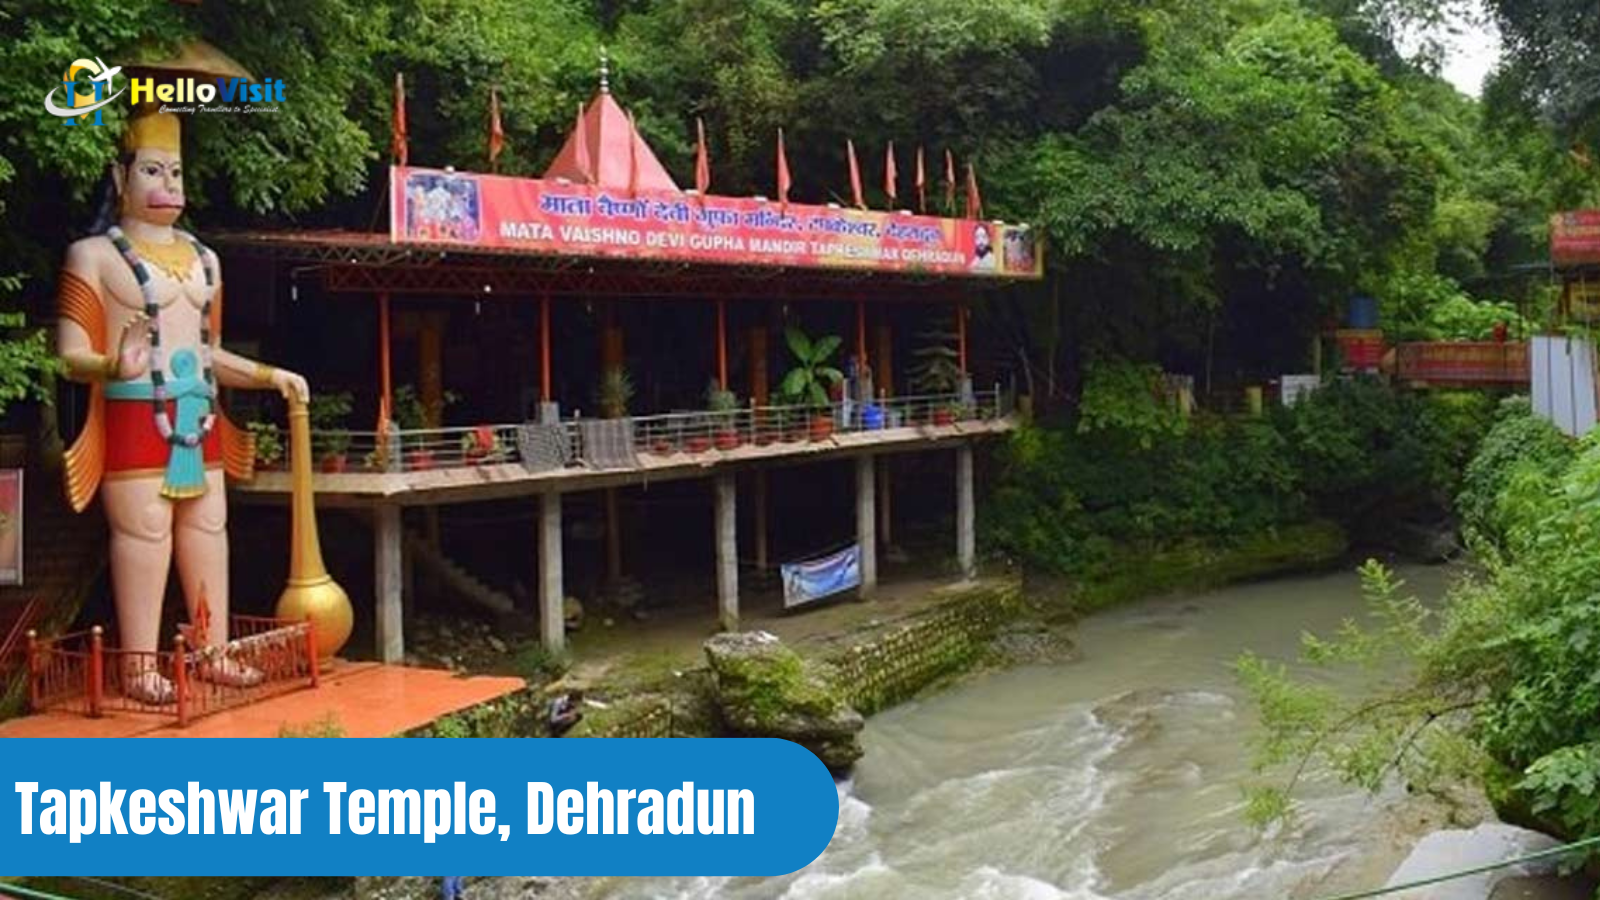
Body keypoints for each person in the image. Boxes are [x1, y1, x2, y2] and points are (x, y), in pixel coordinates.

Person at [55, 103, 310, 704]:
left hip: (197, 411)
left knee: (208, 527)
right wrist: (112, 364)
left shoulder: (205, 260)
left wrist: (272, 374)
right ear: (119, 179)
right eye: (152, 171)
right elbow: (68, 353)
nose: (168, 185)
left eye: (175, 172)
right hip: (134, 410)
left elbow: (210, 350)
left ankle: (211, 650)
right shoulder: (92, 256)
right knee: (146, 533)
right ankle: (140, 667)